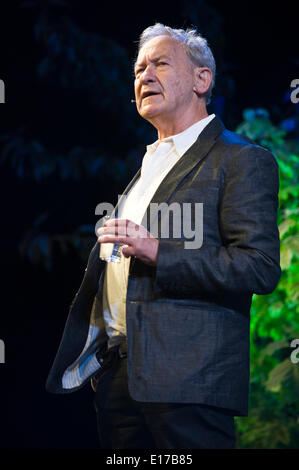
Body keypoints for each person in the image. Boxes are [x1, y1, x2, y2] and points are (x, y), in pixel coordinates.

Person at [46, 23, 281, 449]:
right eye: (138, 70)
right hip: (120, 380)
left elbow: (259, 267)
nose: (144, 76)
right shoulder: (146, 169)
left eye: (160, 64)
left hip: (189, 382)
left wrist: (158, 251)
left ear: (201, 79)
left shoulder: (242, 160)